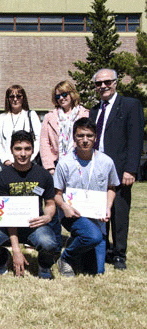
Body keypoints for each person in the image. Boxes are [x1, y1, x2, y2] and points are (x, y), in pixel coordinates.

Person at [0, 130, 59, 279]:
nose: (23, 154)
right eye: (18, 149)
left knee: (50, 243)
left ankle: (44, 265)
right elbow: (7, 216)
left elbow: (50, 203)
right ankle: (3, 259)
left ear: (33, 151)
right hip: (8, 222)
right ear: (11, 150)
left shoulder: (43, 175)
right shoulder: (2, 178)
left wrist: (48, 216)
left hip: (34, 223)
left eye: (27, 149)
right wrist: (16, 249)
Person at [89, 68, 144, 270]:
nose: (103, 86)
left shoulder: (130, 105)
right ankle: (102, 250)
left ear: (115, 83)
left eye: (107, 82)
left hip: (120, 171)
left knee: (119, 213)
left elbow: (136, 139)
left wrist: (131, 169)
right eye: (98, 83)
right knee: (98, 212)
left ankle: (119, 253)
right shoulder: (94, 110)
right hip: (97, 170)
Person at [53, 118, 119, 276]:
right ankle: (66, 257)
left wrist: (107, 207)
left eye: (89, 136)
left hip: (96, 218)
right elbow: (56, 195)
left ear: (95, 137)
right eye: (80, 136)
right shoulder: (65, 163)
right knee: (93, 236)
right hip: (72, 215)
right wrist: (64, 207)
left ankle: (76, 242)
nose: (85, 140)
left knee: (96, 271)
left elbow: (111, 187)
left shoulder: (106, 162)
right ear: (74, 137)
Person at [40, 80, 89, 174]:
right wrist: (49, 166)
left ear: (72, 94)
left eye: (64, 94)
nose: (61, 98)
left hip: (81, 164)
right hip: (58, 165)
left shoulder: (85, 114)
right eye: (58, 96)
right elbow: (44, 142)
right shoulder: (49, 117)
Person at [0, 85, 41, 168]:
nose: (15, 99)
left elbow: (38, 139)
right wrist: (5, 160)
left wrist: (29, 158)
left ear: (23, 98)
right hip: (7, 165)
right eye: (12, 97)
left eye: (18, 96)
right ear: (8, 99)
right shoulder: (1, 118)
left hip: (27, 163)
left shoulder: (31, 115)